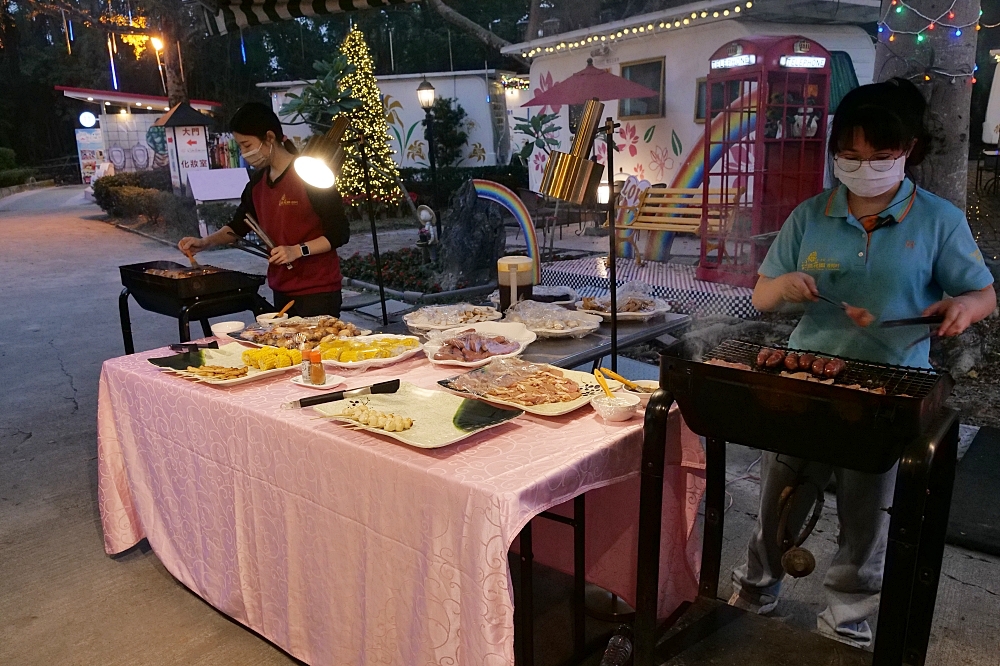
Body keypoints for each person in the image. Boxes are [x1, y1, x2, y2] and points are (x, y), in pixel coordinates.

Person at [729, 78, 996, 648]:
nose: (864, 168)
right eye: (850, 157)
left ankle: (847, 620)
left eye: (881, 157)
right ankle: (756, 588)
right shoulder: (811, 215)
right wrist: (786, 286)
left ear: (910, 150)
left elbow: (984, 294)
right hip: (806, 378)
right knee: (783, 491)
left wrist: (963, 309)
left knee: (867, 513)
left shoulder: (938, 220)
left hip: (888, 388)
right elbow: (762, 295)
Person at [178, 102, 350, 317]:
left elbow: (339, 233)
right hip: (281, 289)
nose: (244, 152)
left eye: (247, 145)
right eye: (240, 146)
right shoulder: (257, 183)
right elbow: (237, 227)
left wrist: (297, 250)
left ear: (269, 138)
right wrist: (204, 242)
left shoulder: (311, 175)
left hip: (319, 291)